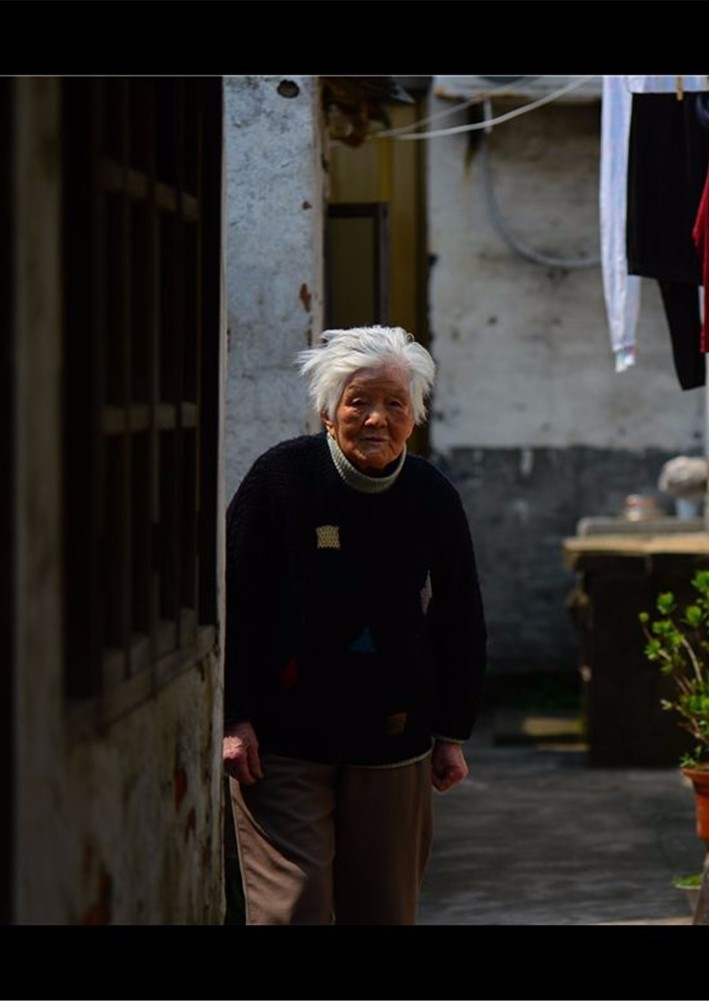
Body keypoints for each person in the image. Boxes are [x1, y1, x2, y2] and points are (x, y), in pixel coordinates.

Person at [222, 325, 487, 925]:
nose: (376, 419)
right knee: (292, 908)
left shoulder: (431, 496)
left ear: (413, 417)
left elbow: (460, 615)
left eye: (395, 403)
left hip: (393, 741)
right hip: (282, 742)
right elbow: (234, 597)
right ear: (327, 411)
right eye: (358, 401)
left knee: (383, 910)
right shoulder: (280, 480)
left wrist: (452, 731)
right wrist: (233, 717)